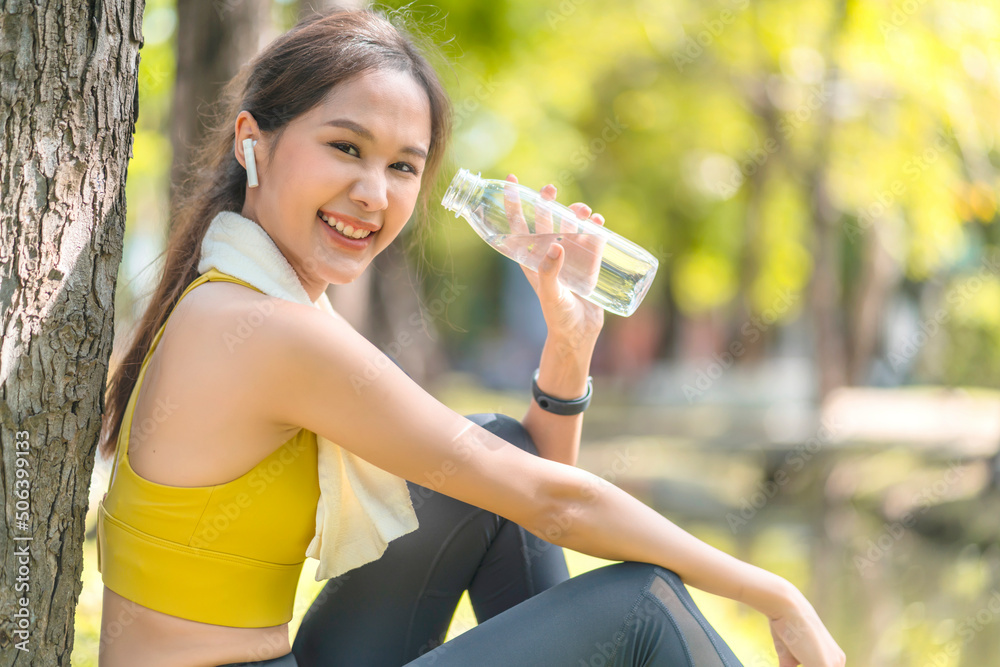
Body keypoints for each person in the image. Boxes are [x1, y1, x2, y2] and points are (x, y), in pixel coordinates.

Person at [96, 7, 846, 667]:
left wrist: (568, 350)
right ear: (252, 142)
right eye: (346, 148)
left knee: (501, 443)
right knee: (644, 605)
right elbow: (555, 504)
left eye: (402, 167)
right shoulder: (265, 330)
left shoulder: (237, 291)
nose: (373, 193)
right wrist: (773, 591)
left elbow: (522, 498)